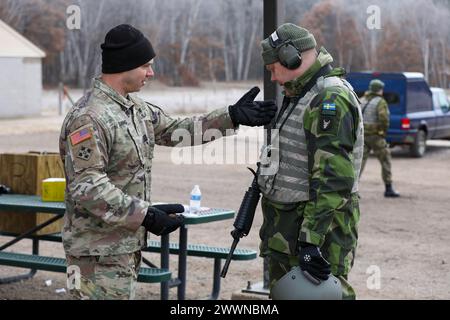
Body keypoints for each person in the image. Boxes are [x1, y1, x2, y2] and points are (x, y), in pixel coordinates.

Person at [59, 24, 277, 300]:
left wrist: (232, 116)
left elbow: (177, 129)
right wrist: (146, 215)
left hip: (121, 246)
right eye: (145, 66)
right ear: (124, 66)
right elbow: (88, 187)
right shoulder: (89, 117)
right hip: (96, 252)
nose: (151, 73)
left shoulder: (135, 108)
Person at [258, 23, 364, 299]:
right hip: (290, 232)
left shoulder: (329, 98)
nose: (273, 78)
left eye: (272, 69)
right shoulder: (301, 94)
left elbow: (333, 179)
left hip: (316, 236)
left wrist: (310, 241)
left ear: (290, 56)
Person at [359, 79, 400, 197]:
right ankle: (388, 189)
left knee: (359, 162)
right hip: (376, 136)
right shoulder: (380, 102)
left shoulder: (361, 100)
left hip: (362, 136)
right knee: (385, 160)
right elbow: (384, 119)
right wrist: (383, 132)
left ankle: (353, 190)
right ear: (379, 90)